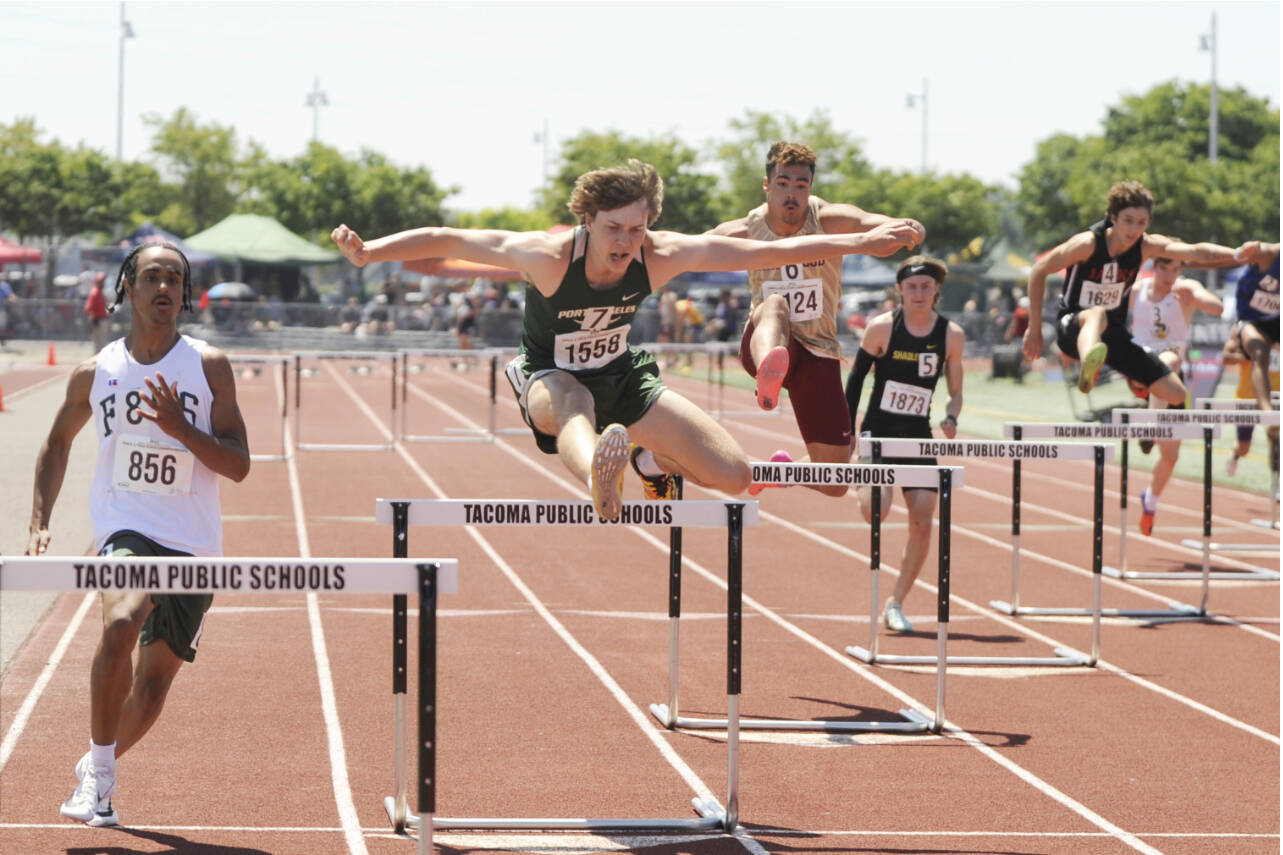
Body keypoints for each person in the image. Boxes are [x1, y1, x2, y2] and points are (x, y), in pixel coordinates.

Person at [331, 159, 922, 520]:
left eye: (636, 229)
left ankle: (645, 457)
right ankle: (600, 476)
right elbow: (446, 236)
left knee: (737, 478)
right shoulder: (544, 254)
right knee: (573, 406)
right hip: (550, 379)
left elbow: (768, 248)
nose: (624, 241)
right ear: (587, 221)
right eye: (613, 228)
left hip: (625, 377)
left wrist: (859, 244)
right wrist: (370, 253)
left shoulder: (660, 256)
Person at [26, 242, 251, 827]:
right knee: (122, 621)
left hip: (194, 540)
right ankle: (101, 785)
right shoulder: (97, 373)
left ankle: (93, 763)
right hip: (127, 526)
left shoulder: (208, 367)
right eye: (151, 276)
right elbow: (56, 442)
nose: (164, 288)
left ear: (185, 293)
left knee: (152, 688)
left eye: (174, 279)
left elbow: (238, 463)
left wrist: (180, 428)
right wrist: (40, 518)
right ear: (125, 287)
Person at [708, 142, 925, 497]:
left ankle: (783, 470)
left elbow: (873, 223)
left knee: (835, 479)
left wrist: (909, 227)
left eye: (800, 185)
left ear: (810, 188)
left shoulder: (825, 219)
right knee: (775, 303)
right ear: (767, 185)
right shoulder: (747, 229)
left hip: (818, 353)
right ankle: (769, 371)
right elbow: (690, 248)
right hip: (767, 339)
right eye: (782, 184)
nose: (791, 194)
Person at [1022, 180, 1243, 401]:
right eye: (1128, 221)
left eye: (1141, 223)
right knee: (1097, 313)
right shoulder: (1087, 244)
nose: (1134, 230)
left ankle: (1135, 381)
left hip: (1113, 335)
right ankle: (1089, 358)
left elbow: (1195, 251)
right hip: (1072, 329)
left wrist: (1238, 255)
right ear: (1113, 217)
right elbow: (1039, 270)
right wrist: (1034, 328)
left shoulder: (1146, 246)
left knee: (1176, 394)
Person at [844, 256, 963, 632]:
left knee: (924, 521)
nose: (919, 293)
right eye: (912, 287)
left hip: (918, 437)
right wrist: (850, 433)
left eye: (926, 286)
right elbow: (856, 381)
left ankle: (895, 602)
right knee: (875, 512)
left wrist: (952, 416)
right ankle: (866, 476)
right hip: (877, 433)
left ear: (936, 290)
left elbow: (956, 392)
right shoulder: (881, 329)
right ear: (900, 290)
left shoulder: (950, 335)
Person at [1128, 255, 1224, 535]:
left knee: (1171, 456)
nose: (1169, 275)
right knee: (1163, 363)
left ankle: (1151, 500)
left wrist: (1196, 295)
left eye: (1175, 269)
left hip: (1172, 381)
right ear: (1153, 268)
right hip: (1139, 370)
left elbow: (1216, 308)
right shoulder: (1137, 291)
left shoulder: (1186, 289)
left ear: (1181, 270)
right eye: (1163, 268)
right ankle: (1150, 426)